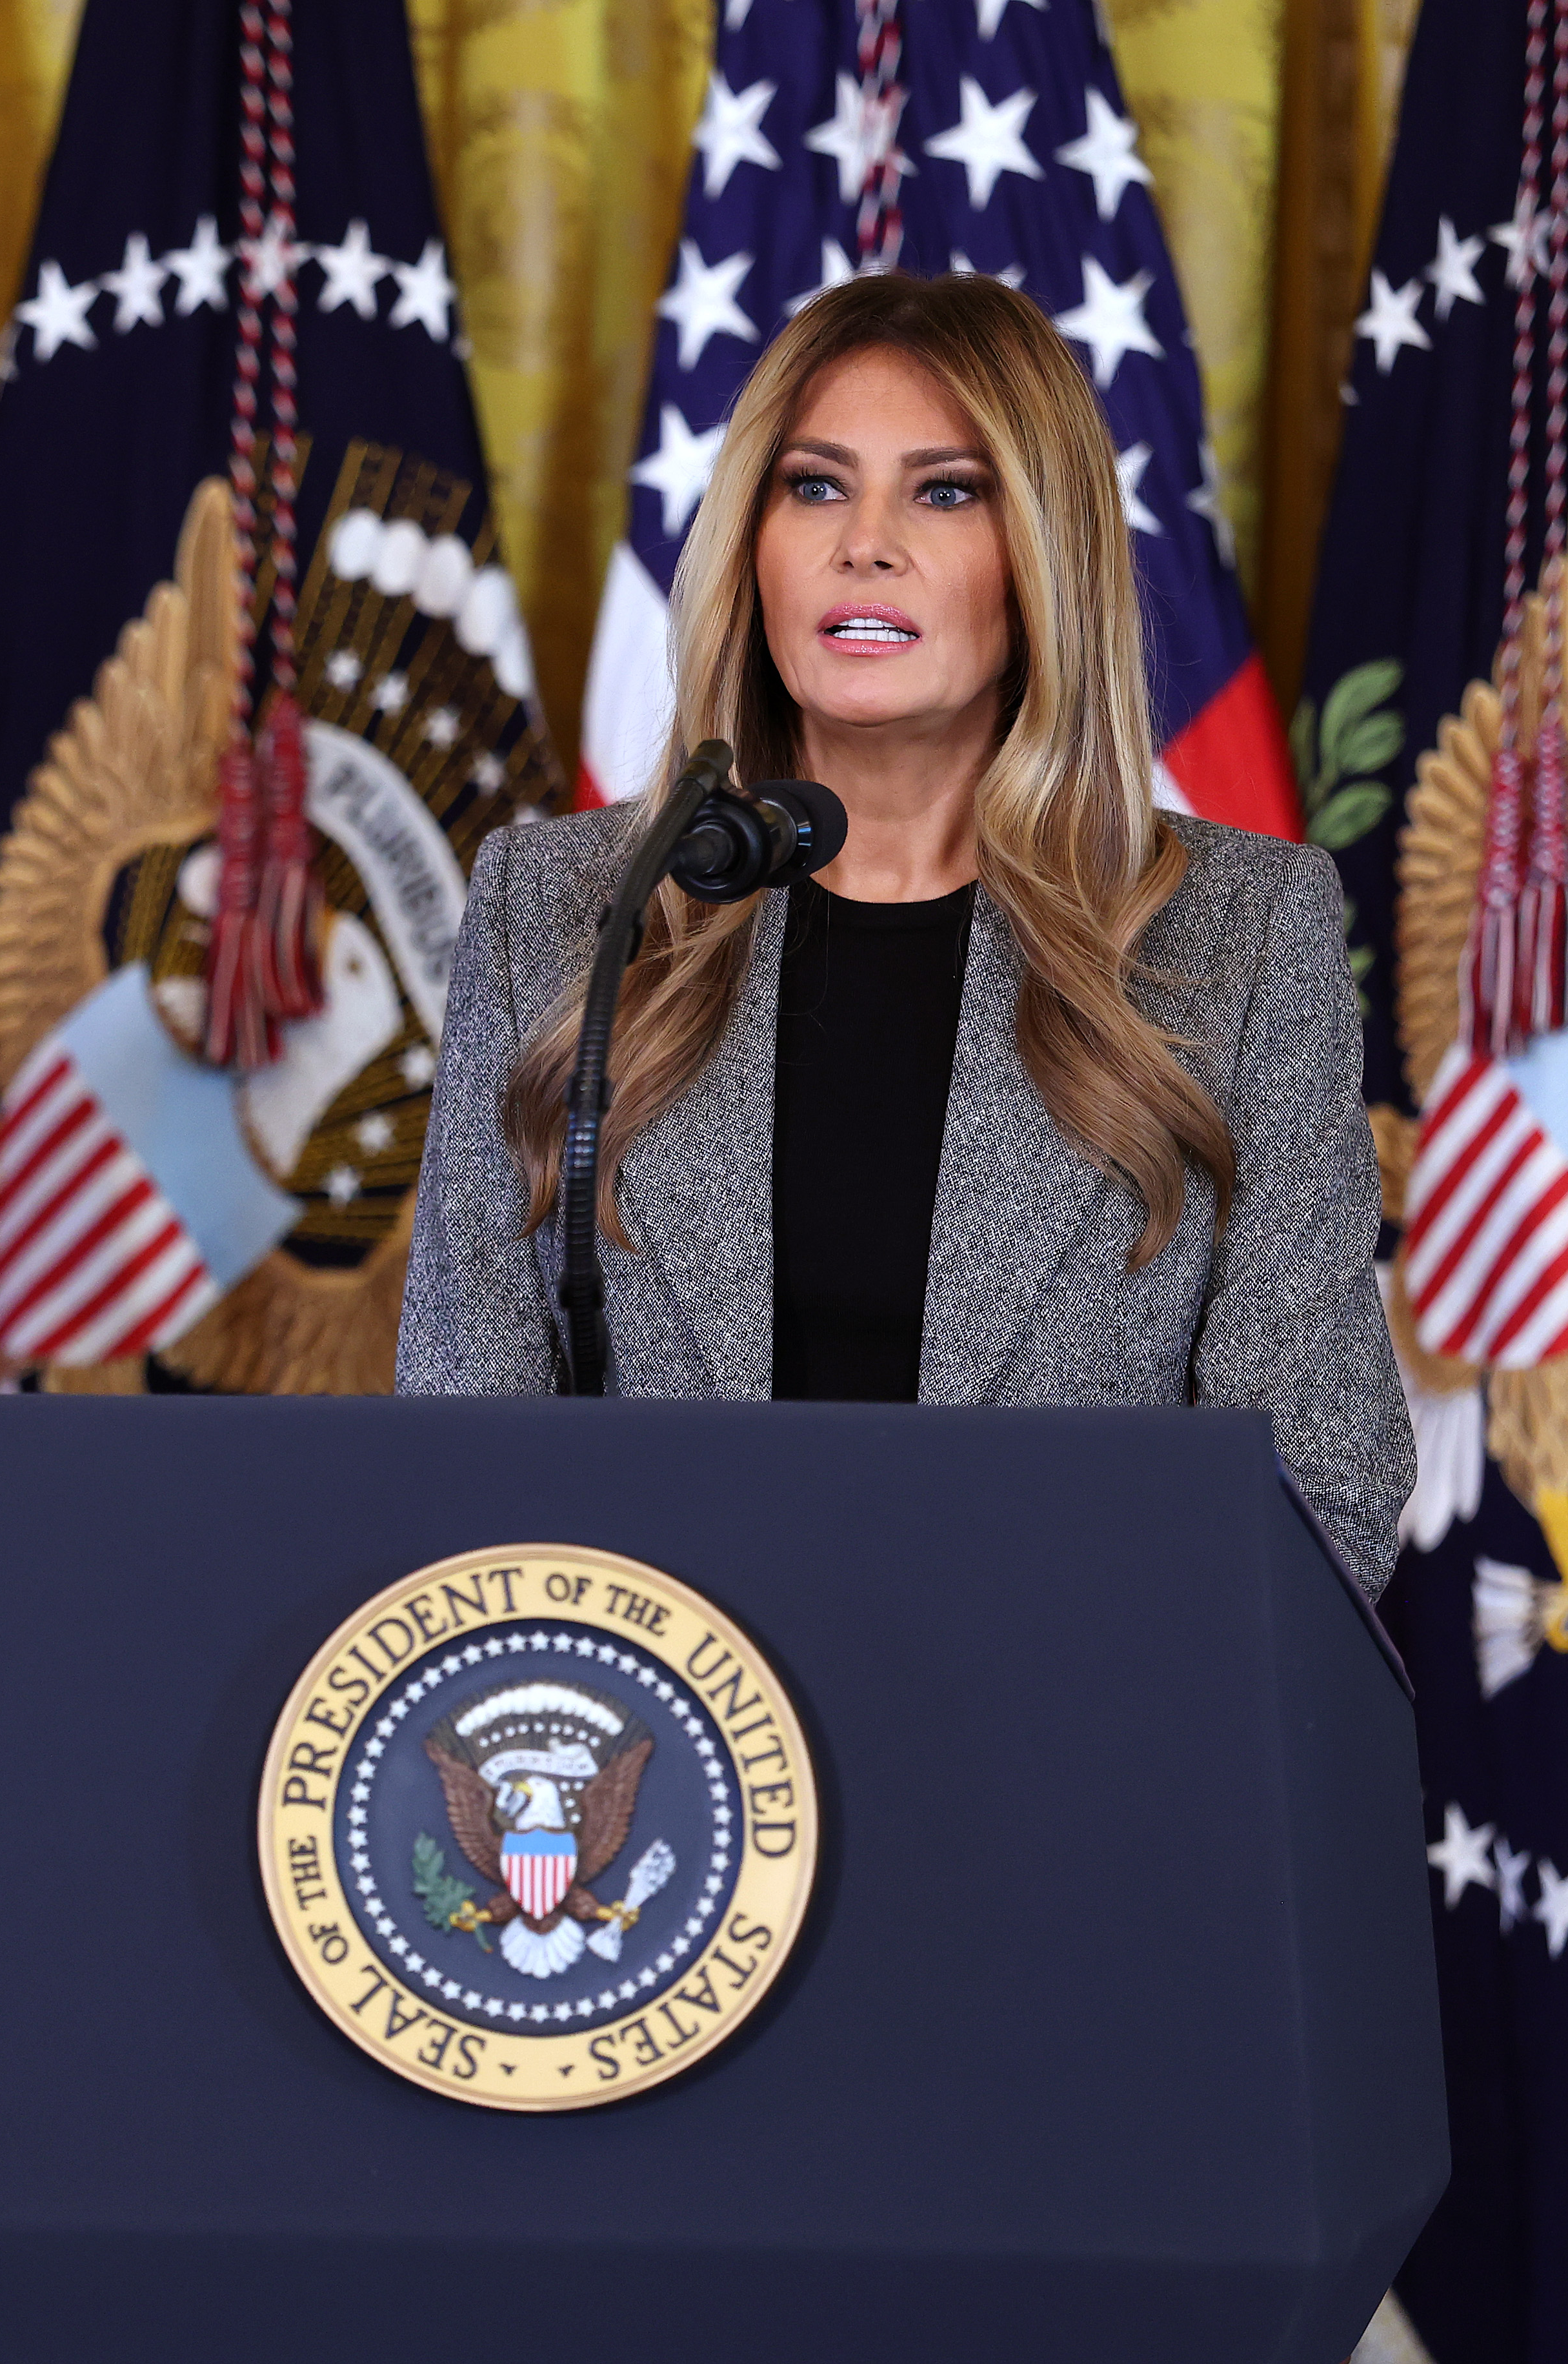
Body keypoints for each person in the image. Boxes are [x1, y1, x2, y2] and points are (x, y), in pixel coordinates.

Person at [397, 274, 1412, 1592]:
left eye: (944, 491)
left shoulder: (1237, 935)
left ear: (1041, 552)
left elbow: (1320, 1488)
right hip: (667, 1761)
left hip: (1054, 1755)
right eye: (813, 485)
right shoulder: (559, 910)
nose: (861, 542)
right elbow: (457, 1446)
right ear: (747, 540)